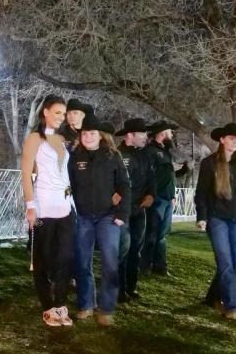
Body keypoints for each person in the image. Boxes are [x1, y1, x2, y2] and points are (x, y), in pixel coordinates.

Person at [69, 114, 130, 326]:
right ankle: (86, 304)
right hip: (83, 217)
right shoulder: (75, 157)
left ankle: (107, 308)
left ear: (100, 135)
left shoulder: (113, 155)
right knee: (82, 262)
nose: (88, 137)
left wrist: (122, 213)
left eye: (92, 133)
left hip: (108, 217)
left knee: (110, 262)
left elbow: (124, 185)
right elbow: (70, 185)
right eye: (84, 134)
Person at [21, 95, 74, 327]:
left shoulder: (63, 140)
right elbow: (25, 173)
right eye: (57, 113)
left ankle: (61, 304)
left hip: (65, 207)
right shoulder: (35, 138)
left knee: (64, 258)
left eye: (63, 114)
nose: (61, 118)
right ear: (45, 113)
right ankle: (48, 307)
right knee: (41, 259)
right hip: (42, 206)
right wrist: (30, 206)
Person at [195, 123, 236, 320]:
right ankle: (232, 305)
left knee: (235, 263)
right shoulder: (209, 163)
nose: (235, 142)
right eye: (231, 138)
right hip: (217, 218)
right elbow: (201, 194)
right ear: (222, 139)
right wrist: (202, 217)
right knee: (226, 263)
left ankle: (214, 297)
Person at [115, 119, 156, 301]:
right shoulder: (116, 154)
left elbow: (152, 179)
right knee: (122, 250)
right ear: (130, 135)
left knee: (135, 250)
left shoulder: (146, 155)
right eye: (142, 134)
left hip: (140, 209)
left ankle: (131, 287)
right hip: (123, 210)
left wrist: (151, 195)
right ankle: (119, 290)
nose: (146, 137)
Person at [140, 120, 182, 276]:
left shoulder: (165, 152)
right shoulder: (150, 152)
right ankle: (145, 266)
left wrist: (173, 194)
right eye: (170, 132)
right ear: (162, 133)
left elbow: (167, 176)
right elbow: (149, 176)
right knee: (151, 233)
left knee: (162, 235)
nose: (171, 135)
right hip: (156, 199)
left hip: (167, 198)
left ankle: (160, 266)